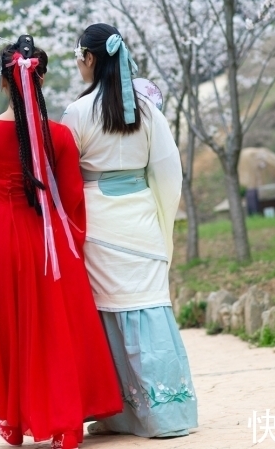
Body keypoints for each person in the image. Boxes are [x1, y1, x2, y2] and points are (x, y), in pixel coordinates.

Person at [0, 35, 122, 449]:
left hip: (4, 238)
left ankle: (16, 417)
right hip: (50, 241)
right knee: (56, 328)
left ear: (4, 81)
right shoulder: (59, 135)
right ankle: (65, 424)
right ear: (41, 78)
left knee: (12, 327)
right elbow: (73, 199)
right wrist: (71, 241)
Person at [62, 23, 198, 439]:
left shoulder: (77, 113)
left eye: (79, 57)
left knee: (110, 313)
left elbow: (64, 176)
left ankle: (120, 412)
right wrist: (162, 214)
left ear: (89, 58)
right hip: (141, 219)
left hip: (99, 224)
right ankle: (169, 412)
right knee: (151, 307)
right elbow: (167, 169)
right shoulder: (147, 110)